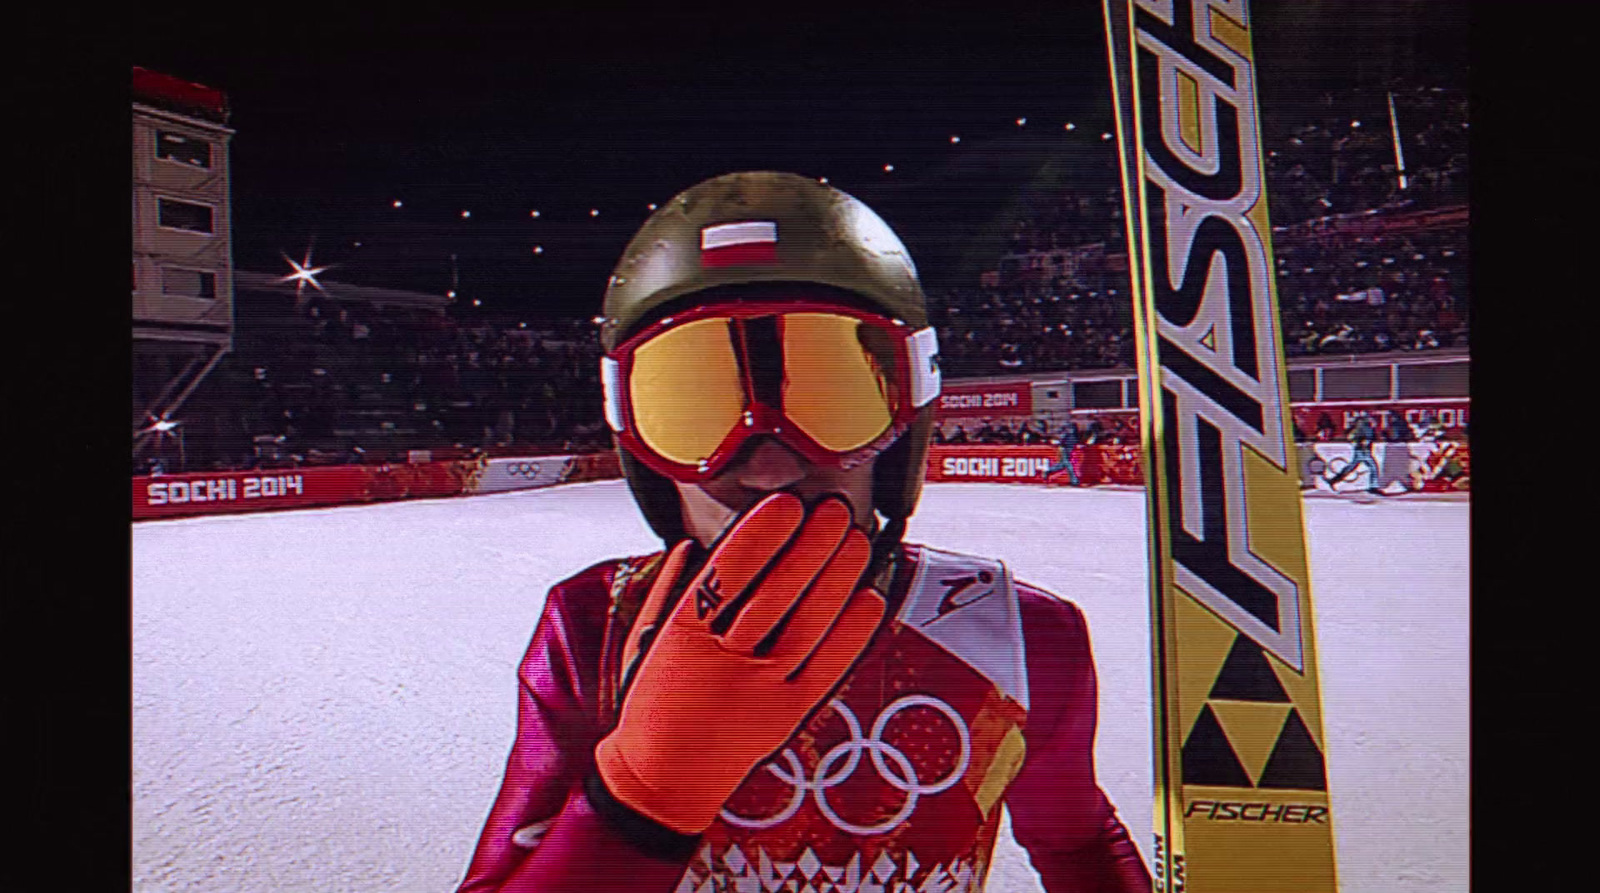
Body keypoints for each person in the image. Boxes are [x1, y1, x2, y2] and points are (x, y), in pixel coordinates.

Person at [456, 172, 1150, 893]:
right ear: (635, 438)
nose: (768, 466)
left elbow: (1076, 842)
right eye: (694, 404)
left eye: (829, 394)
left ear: (901, 424)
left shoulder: (1022, 636)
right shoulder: (592, 626)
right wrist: (635, 796)